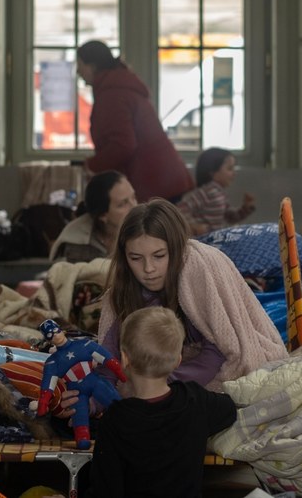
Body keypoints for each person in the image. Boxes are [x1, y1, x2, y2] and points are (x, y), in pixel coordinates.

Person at [95, 199, 285, 393]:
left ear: (176, 249)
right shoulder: (122, 292)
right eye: (135, 258)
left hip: (199, 379)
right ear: (124, 257)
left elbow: (222, 347)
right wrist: (96, 398)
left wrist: (159, 383)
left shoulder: (198, 266)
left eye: (159, 256)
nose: (148, 269)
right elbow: (109, 359)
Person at [89, 306, 237, 498]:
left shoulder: (115, 419)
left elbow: (105, 491)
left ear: (124, 359)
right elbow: (229, 409)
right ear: (178, 360)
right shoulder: (196, 400)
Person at [76, 40, 194, 202]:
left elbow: (123, 144)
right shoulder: (119, 86)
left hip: (152, 182)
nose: (78, 71)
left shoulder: (112, 94)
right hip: (162, 178)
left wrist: (92, 166)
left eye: (80, 64)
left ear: (93, 66)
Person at [35, 318, 125, 449]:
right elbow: (48, 385)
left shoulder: (83, 345)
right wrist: (43, 404)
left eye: (56, 331)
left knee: (114, 402)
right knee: (79, 415)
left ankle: (128, 425)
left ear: (63, 331)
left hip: (94, 381)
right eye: (50, 335)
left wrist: (121, 374)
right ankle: (82, 438)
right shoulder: (52, 362)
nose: (55, 335)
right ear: (48, 340)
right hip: (76, 390)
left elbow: (106, 358)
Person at [49, 170, 137, 263]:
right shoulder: (77, 245)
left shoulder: (143, 228)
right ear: (103, 215)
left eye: (134, 197)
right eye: (122, 204)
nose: (134, 206)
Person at [178, 147, 256, 236]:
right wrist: (193, 226)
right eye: (230, 169)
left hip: (214, 239)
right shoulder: (206, 192)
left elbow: (231, 217)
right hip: (204, 241)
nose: (234, 173)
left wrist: (246, 207)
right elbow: (181, 209)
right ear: (213, 171)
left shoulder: (220, 193)